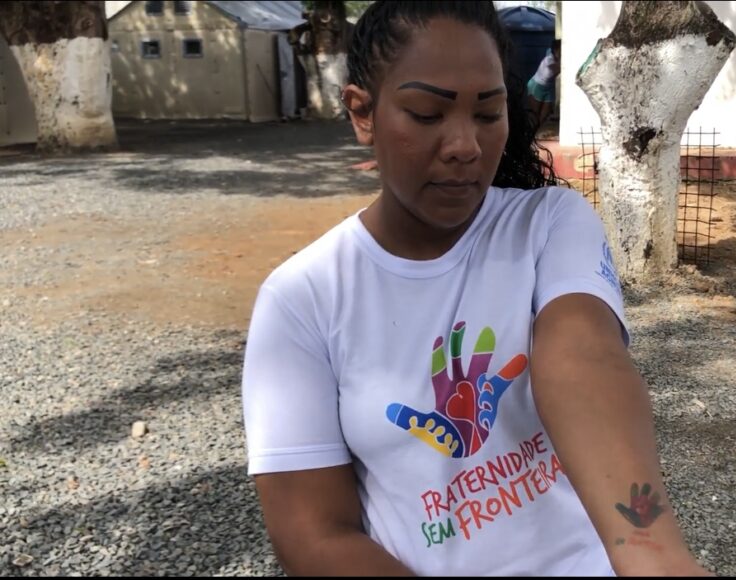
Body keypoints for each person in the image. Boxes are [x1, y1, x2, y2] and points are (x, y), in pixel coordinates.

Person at [241, 1, 710, 576]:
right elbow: (314, 535)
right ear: (362, 113)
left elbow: (583, 357)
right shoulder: (302, 300)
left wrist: (654, 559)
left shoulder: (547, 223)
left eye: (488, 114)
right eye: (426, 114)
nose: (465, 145)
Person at [526, 39, 560, 134]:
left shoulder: (551, 53)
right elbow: (559, 68)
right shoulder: (549, 60)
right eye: (559, 50)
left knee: (544, 116)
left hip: (548, 88)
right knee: (534, 114)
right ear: (555, 50)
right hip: (536, 86)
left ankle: (535, 133)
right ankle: (530, 134)